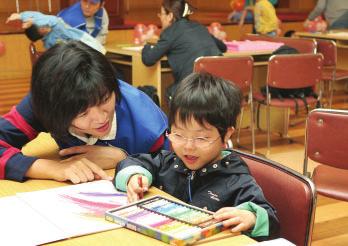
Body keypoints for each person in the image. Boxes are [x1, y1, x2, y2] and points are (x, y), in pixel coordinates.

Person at [114, 72, 279, 240]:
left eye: (201, 138)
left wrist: (250, 217)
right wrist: (134, 176)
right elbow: (134, 161)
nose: (188, 147)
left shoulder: (236, 180)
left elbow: (269, 217)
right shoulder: (170, 162)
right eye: (178, 135)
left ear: (227, 135)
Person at [0, 41, 168, 183]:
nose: (101, 118)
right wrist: (51, 168)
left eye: (104, 100)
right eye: (82, 113)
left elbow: (174, 171)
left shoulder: (148, 125)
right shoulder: (50, 100)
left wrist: (124, 158)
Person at [141, 0, 227, 101]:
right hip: (217, 87)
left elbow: (148, 59)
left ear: (170, 16)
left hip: (193, 89)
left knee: (170, 92)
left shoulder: (170, 33)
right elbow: (223, 47)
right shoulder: (199, 26)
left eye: (161, 14)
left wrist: (147, 43)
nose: (160, 17)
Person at [6, 11, 105, 54]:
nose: (43, 26)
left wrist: (21, 16)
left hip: (84, 42)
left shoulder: (54, 23)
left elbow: (41, 17)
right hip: (76, 52)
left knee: (100, 55)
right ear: (41, 33)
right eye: (41, 28)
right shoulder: (54, 31)